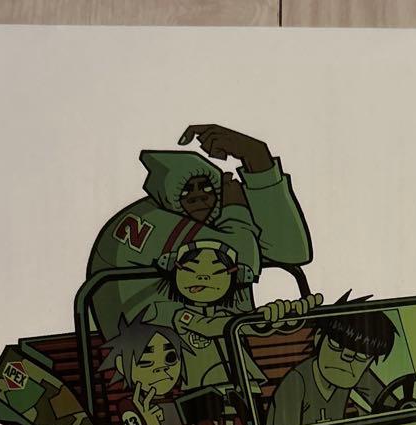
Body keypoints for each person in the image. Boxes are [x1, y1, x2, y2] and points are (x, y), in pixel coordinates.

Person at [87, 124, 312, 335]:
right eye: (187, 191)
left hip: (211, 333)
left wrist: (258, 160)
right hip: (152, 342)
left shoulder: (215, 223)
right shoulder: (150, 219)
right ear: (168, 194)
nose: (199, 198)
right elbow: (242, 257)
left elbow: (291, 251)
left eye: (206, 188)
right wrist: (235, 207)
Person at [150, 239, 322, 389]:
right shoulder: (181, 315)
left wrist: (280, 317)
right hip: (203, 388)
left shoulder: (226, 313)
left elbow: (253, 328)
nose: (202, 277)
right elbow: (208, 327)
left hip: (246, 383)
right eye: (190, 269)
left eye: (216, 271)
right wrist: (255, 319)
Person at [99, 313, 232, 425]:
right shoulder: (131, 406)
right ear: (122, 365)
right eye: (145, 361)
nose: (161, 368)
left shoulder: (189, 400)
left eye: (170, 357)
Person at [266, 298, 396, 425]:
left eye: (362, 354)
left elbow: (393, 405)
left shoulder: (352, 371)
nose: (347, 357)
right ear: (318, 337)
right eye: (337, 345)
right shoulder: (296, 383)